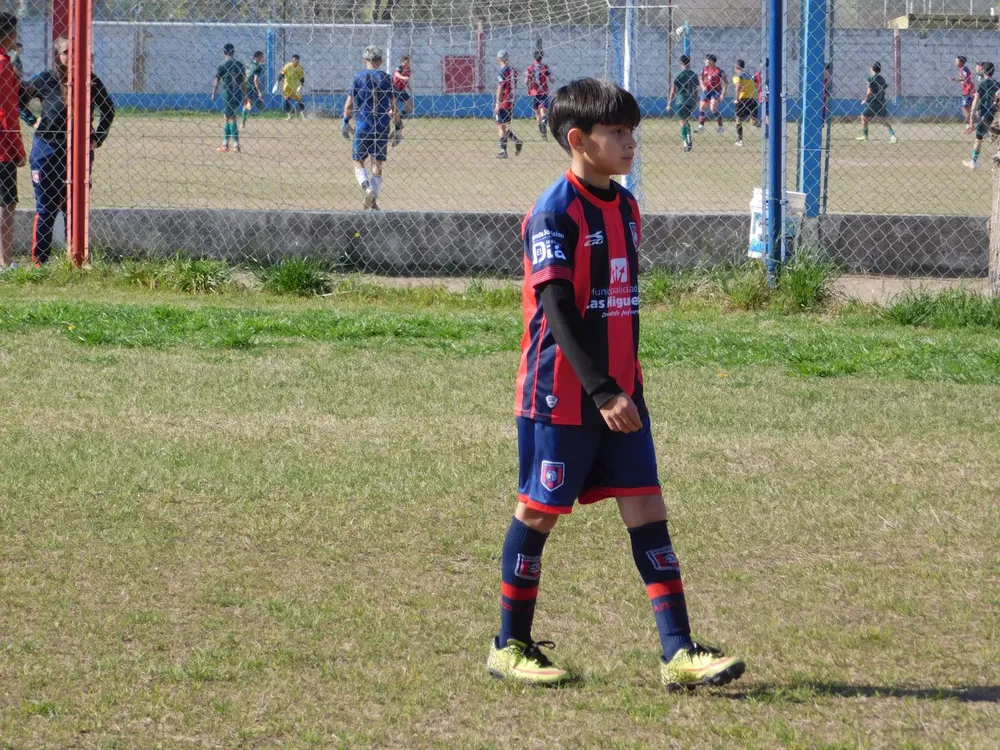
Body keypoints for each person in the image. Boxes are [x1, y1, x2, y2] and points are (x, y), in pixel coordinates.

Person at [486, 77, 746, 692]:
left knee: (647, 507)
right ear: (579, 140)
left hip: (623, 394)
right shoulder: (554, 211)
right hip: (563, 395)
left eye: (633, 131)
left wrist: (622, 386)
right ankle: (509, 646)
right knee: (538, 511)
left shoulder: (626, 207)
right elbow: (557, 309)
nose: (631, 142)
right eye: (618, 132)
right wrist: (601, 389)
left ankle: (679, 652)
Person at [20, 36, 114, 266]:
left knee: (73, 208)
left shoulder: (91, 80)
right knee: (46, 208)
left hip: (78, 153)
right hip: (46, 150)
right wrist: (32, 120)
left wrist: (98, 137)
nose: (71, 56)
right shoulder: (45, 78)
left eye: (75, 51)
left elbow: (108, 109)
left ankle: (75, 260)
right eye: (65, 52)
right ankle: (40, 262)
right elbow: (19, 100)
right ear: (57, 56)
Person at [342, 44, 399, 210]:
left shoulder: (358, 77)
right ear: (380, 61)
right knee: (377, 163)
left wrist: (345, 122)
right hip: (381, 125)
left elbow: (349, 104)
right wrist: (398, 127)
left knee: (358, 160)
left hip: (363, 124)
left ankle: (367, 188)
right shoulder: (387, 79)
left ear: (364, 60)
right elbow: (394, 107)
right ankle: (373, 199)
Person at [0, 13, 23, 271]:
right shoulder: (3, 65)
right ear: (10, 35)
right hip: (3, 149)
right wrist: (19, 149)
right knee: (7, 203)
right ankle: (5, 261)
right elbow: (7, 112)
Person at [964, 61, 999, 170]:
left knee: (978, 138)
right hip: (995, 114)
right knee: (995, 135)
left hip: (985, 114)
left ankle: (973, 162)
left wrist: (971, 116)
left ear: (983, 71)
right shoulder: (997, 84)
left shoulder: (982, 83)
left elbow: (976, 100)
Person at [211, 43, 245, 153]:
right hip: (238, 93)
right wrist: (245, 94)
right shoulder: (239, 64)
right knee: (227, 117)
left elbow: (217, 79)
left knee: (231, 118)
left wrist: (213, 93)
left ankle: (236, 145)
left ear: (223, 52)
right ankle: (225, 144)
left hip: (228, 94)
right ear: (233, 52)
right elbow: (243, 80)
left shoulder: (222, 65)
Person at [856, 61, 896, 143]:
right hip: (881, 102)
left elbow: (869, 92)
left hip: (873, 102)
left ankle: (865, 136)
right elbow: (884, 87)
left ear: (872, 69)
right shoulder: (882, 79)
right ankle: (893, 136)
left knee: (863, 116)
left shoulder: (870, 79)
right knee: (883, 120)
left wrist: (865, 100)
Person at [495, 50, 522, 159]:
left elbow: (500, 88)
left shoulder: (502, 72)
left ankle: (503, 150)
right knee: (504, 125)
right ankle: (516, 141)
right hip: (511, 101)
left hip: (504, 101)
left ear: (499, 59)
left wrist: (497, 103)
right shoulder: (513, 71)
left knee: (501, 125)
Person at [668, 54, 698, 152]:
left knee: (682, 121)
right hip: (690, 100)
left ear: (681, 63)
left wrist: (669, 103)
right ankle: (688, 136)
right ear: (689, 62)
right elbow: (696, 90)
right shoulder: (693, 75)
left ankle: (685, 142)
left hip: (681, 100)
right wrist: (695, 100)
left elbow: (673, 90)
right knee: (686, 120)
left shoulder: (677, 74)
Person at [525, 52, 553, 139]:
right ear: (541, 58)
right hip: (543, 92)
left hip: (534, 92)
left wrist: (528, 88)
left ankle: (541, 127)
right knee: (543, 111)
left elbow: (526, 81)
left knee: (537, 112)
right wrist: (551, 78)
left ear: (534, 58)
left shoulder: (530, 67)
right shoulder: (545, 67)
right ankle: (544, 123)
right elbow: (551, 79)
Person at [731, 59, 759, 147]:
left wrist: (736, 99)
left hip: (743, 99)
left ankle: (740, 141)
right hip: (752, 99)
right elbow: (756, 85)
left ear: (736, 67)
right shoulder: (749, 75)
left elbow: (738, 86)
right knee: (753, 121)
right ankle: (769, 128)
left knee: (738, 119)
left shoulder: (737, 76)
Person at [697, 54, 726, 133]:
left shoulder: (719, 71)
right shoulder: (704, 69)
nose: (705, 61)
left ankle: (721, 127)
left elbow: (725, 83)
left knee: (712, 108)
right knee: (702, 107)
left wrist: (723, 94)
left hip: (716, 91)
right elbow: (700, 78)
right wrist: (703, 86)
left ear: (712, 61)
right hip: (706, 91)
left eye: (707, 59)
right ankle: (701, 127)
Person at [951, 56, 975, 134]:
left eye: (957, 61)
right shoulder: (962, 69)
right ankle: (970, 126)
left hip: (968, 91)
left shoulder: (964, 69)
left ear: (961, 62)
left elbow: (966, 79)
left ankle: (970, 126)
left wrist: (955, 79)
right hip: (967, 91)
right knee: (967, 108)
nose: (955, 62)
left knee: (965, 108)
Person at [242, 50, 265, 127]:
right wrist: (259, 92)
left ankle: (243, 122)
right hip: (252, 88)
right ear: (256, 57)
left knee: (251, 103)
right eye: (261, 56)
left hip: (245, 86)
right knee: (248, 104)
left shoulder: (248, 64)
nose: (262, 58)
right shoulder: (258, 66)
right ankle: (243, 123)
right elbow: (255, 80)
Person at [279, 54, 305, 120]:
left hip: (296, 87)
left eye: (297, 60)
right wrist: (277, 83)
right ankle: (289, 116)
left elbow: (302, 79)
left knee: (299, 99)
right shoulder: (287, 66)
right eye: (295, 59)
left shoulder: (300, 68)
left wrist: (300, 86)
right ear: (292, 60)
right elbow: (281, 75)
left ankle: (303, 116)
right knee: (286, 99)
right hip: (287, 86)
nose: (296, 61)